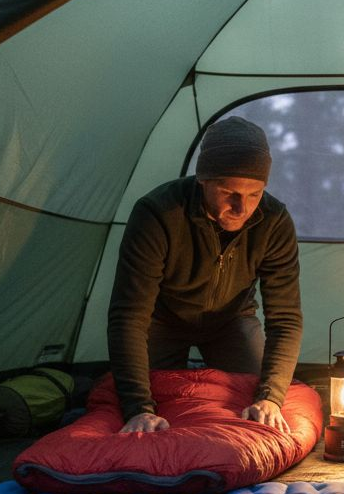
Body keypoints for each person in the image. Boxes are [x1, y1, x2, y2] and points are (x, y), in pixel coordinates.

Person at [107, 116, 302, 434]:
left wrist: (271, 398)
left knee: (255, 394)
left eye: (254, 194)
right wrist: (137, 407)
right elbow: (128, 316)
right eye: (229, 193)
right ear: (203, 180)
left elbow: (286, 318)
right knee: (151, 399)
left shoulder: (274, 221)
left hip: (232, 320)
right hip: (162, 320)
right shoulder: (158, 213)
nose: (242, 209)